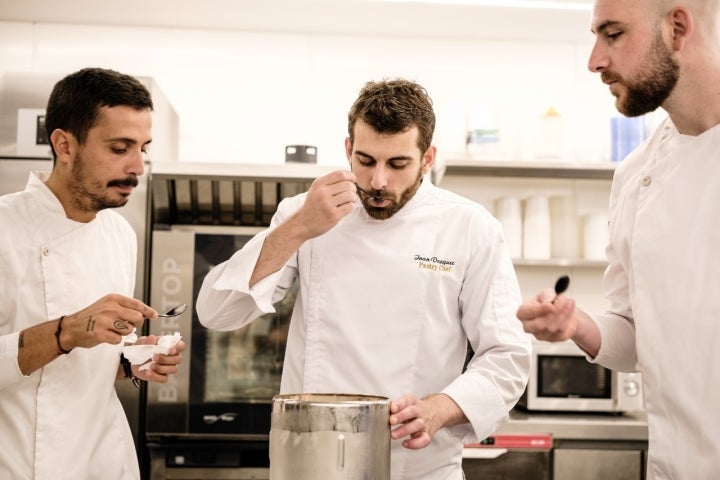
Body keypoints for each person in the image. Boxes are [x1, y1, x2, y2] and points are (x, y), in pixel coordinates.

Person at [197, 78, 531, 479]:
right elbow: (216, 313)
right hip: (311, 463)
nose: (378, 182)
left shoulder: (470, 227)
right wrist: (300, 227)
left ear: (428, 159)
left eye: (398, 164)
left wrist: (438, 409)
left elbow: (507, 357)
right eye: (366, 160)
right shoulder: (306, 213)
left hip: (418, 467)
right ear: (347, 150)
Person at [516, 1, 720, 478]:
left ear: (677, 27)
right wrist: (576, 325)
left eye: (612, 34)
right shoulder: (635, 174)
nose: (593, 60)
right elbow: (635, 333)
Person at [0, 67, 186, 479]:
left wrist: (132, 360)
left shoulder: (120, 234)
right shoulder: (4, 228)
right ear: (64, 145)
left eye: (144, 147)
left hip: (103, 462)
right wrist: (65, 330)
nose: (138, 166)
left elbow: (93, 360)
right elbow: (69, 339)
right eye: (120, 148)